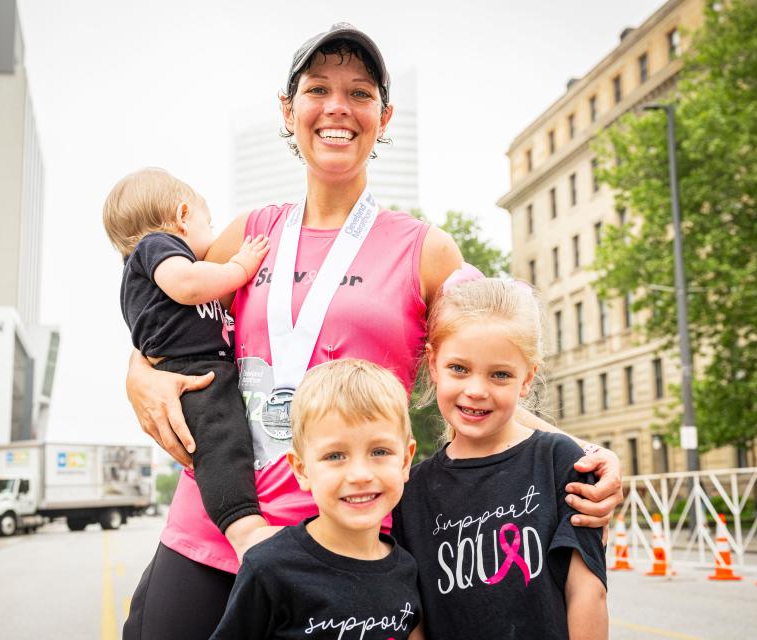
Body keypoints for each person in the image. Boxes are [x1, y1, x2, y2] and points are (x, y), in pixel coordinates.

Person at [122, 23, 622, 640]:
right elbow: (166, 325)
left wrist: (580, 456)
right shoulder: (247, 234)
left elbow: (493, 361)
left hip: (354, 545)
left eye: (359, 93)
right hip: (218, 526)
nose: (337, 107)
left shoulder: (425, 250)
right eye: (317, 89)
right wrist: (137, 374)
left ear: (383, 118)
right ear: (289, 110)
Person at [392, 277, 608, 639]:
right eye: (458, 368)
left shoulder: (560, 463)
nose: (476, 390)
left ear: (527, 379)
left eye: (500, 375)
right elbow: (413, 617)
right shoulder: (411, 490)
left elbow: (587, 591)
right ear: (432, 362)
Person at [103, 168, 273, 558]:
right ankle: (243, 526)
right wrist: (239, 268)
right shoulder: (156, 248)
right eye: (207, 223)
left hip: (199, 368)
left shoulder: (149, 262)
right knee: (220, 444)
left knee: (227, 440)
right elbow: (189, 285)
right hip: (191, 373)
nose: (211, 236)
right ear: (182, 216)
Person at [210, 360, 424, 639]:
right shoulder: (268, 567)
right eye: (335, 456)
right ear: (302, 469)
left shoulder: (408, 569)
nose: (360, 475)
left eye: (380, 451)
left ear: (406, 460)